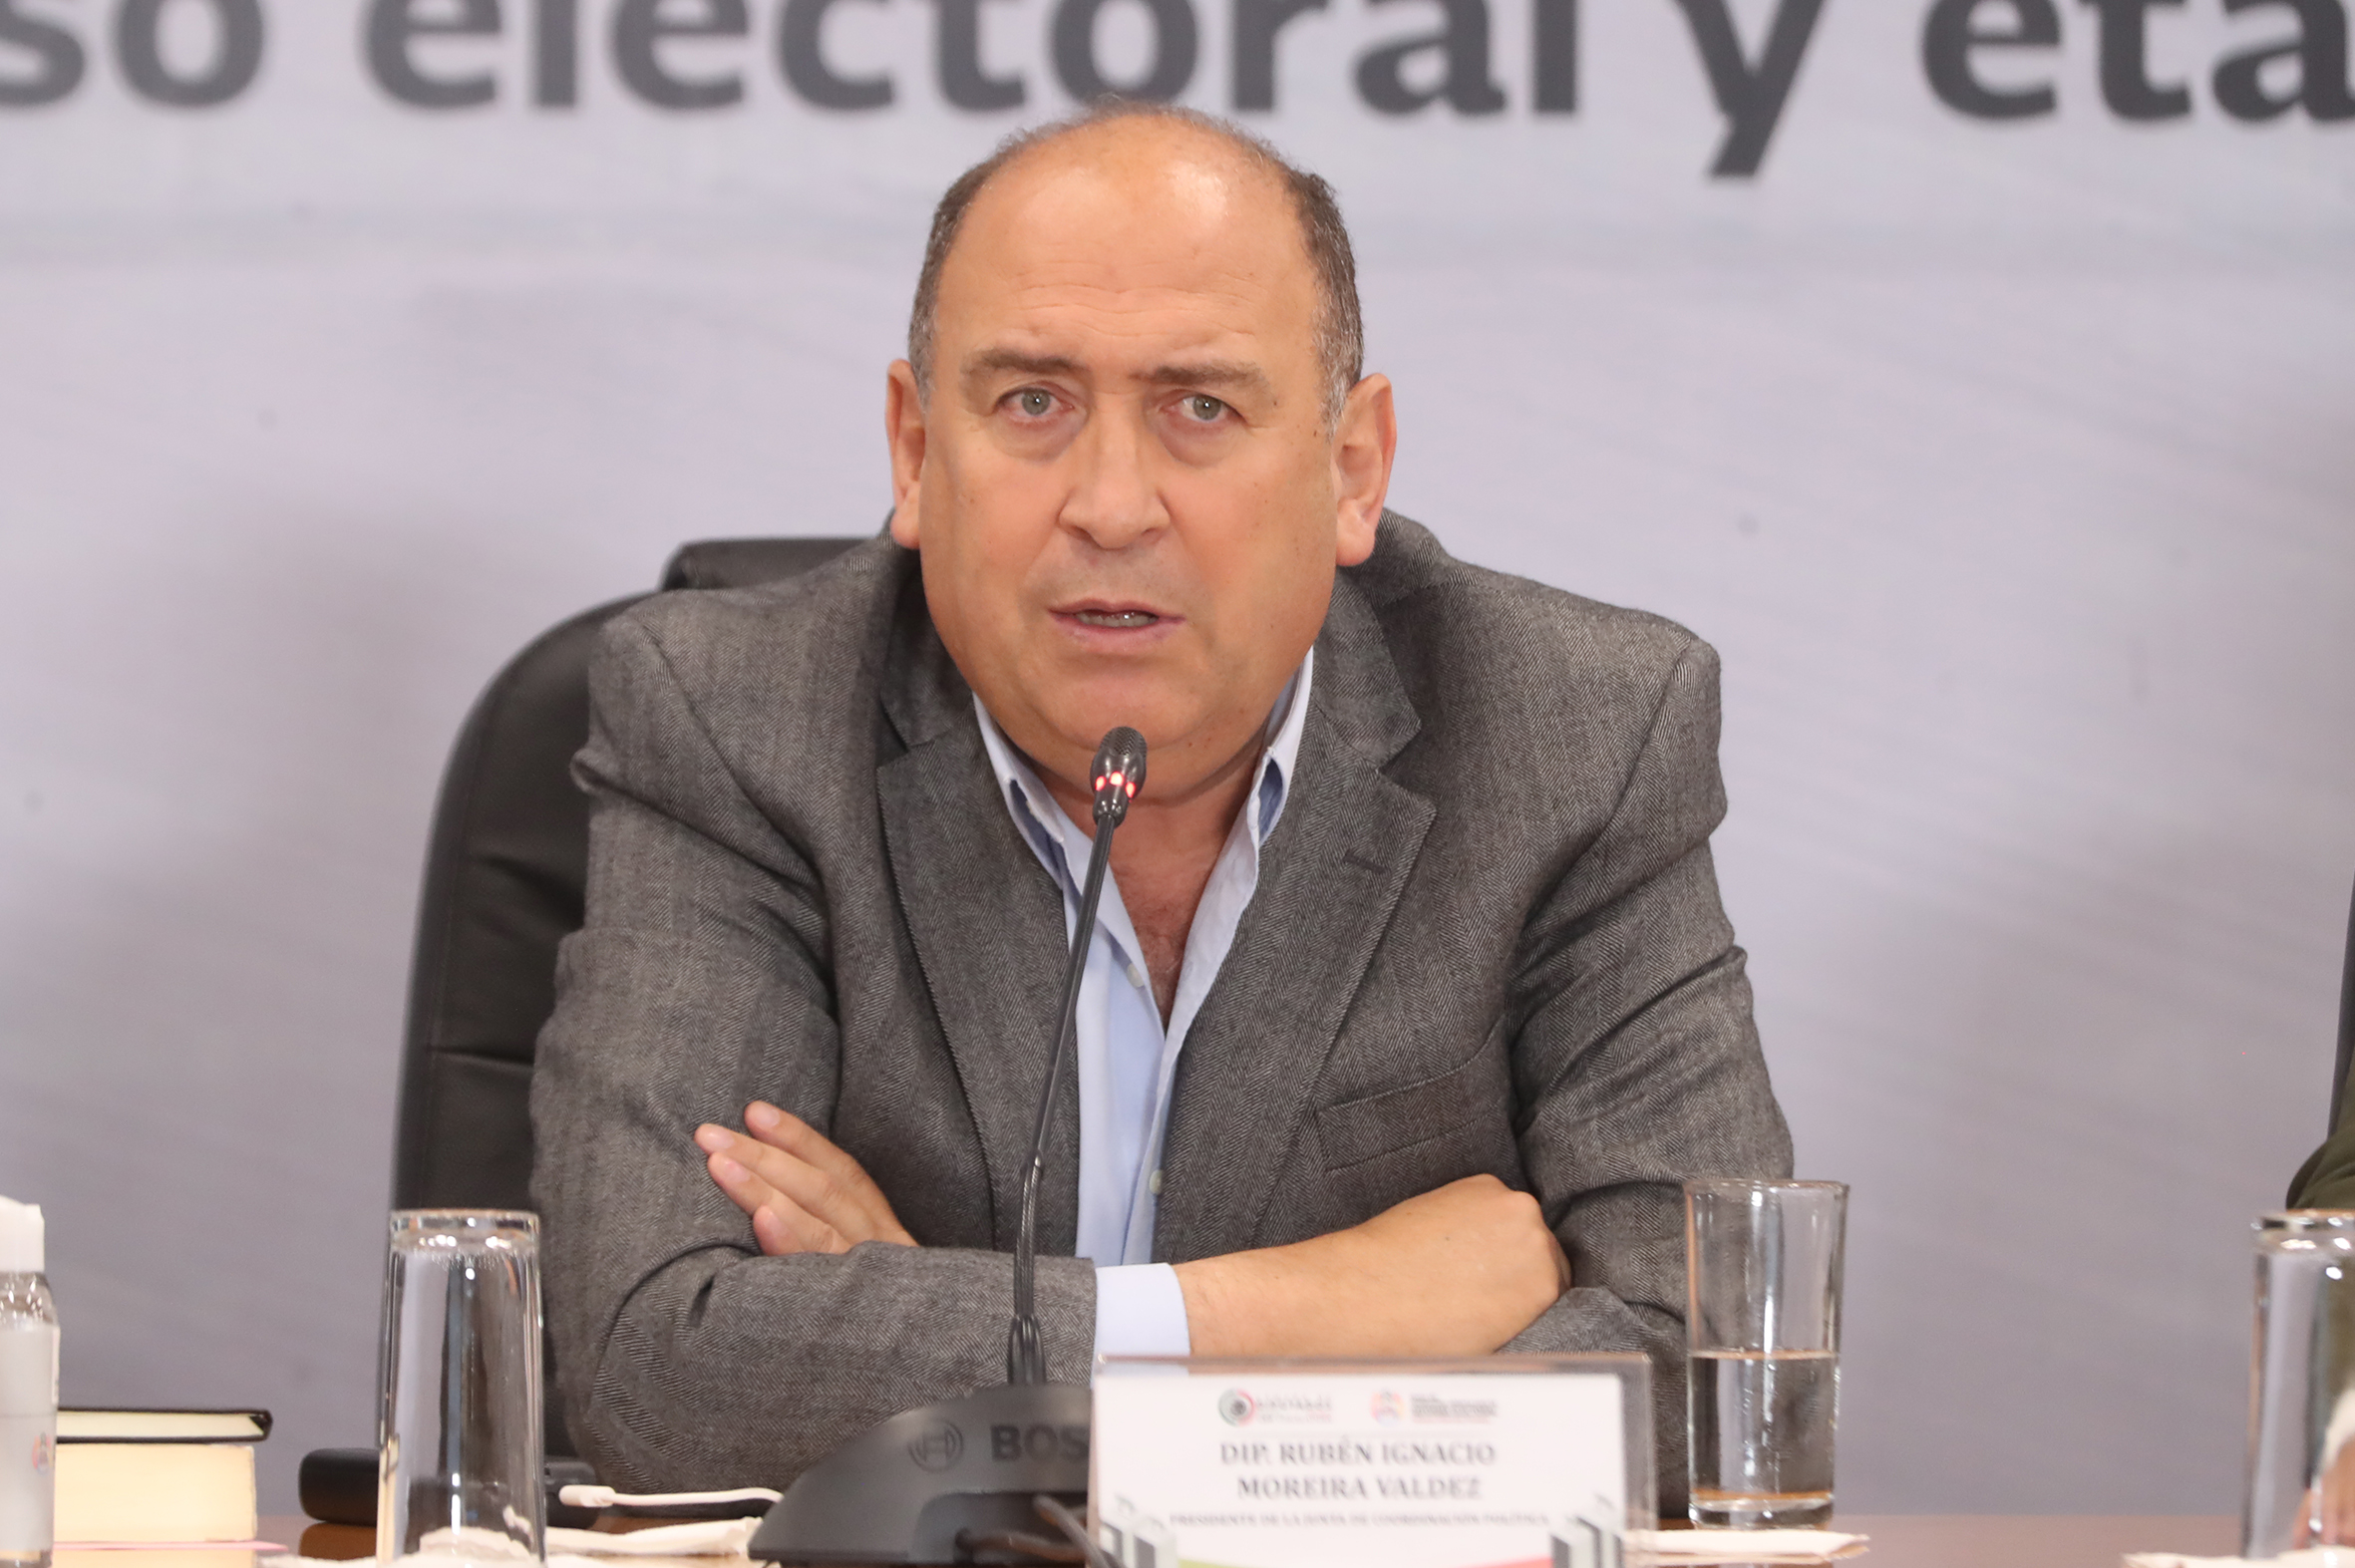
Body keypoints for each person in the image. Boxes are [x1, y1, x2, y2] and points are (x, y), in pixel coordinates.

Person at [529, 102, 1792, 1503]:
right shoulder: (737, 717)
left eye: (1201, 408)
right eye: (1032, 402)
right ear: (914, 450)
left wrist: (956, 1357)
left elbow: (1720, 1373)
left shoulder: (1571, 734)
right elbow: (655, 1364)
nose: (1112, 504)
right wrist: (1306, 1312)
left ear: (1351, 471)